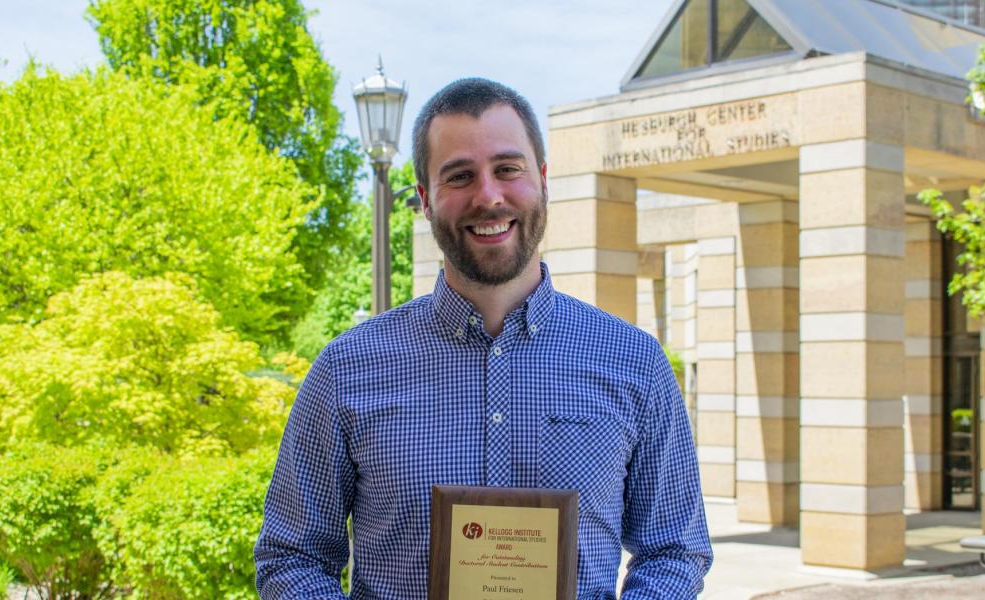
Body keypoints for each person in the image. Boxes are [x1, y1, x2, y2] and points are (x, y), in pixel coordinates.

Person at [255, 78, 712, 599]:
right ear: (425, 200)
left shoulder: (634, 362)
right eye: (460, 176)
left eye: (507, 169)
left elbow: (674, 549)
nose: (489, 196)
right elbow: (293, 556)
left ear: (542, 179)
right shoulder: (346, 369)